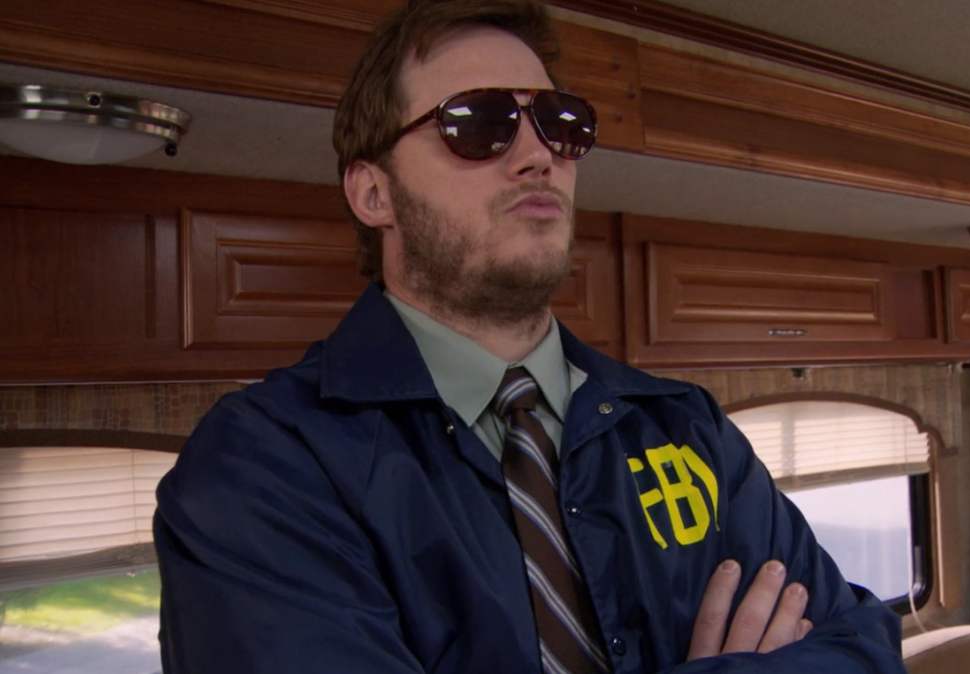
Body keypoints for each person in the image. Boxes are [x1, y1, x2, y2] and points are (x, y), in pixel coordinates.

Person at [153, 1, 905, 672]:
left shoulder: (687, 426)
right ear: (374, 192)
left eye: (560, 123)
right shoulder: (264, 467)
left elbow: (862, 645)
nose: (539, 154)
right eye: (478, 123)